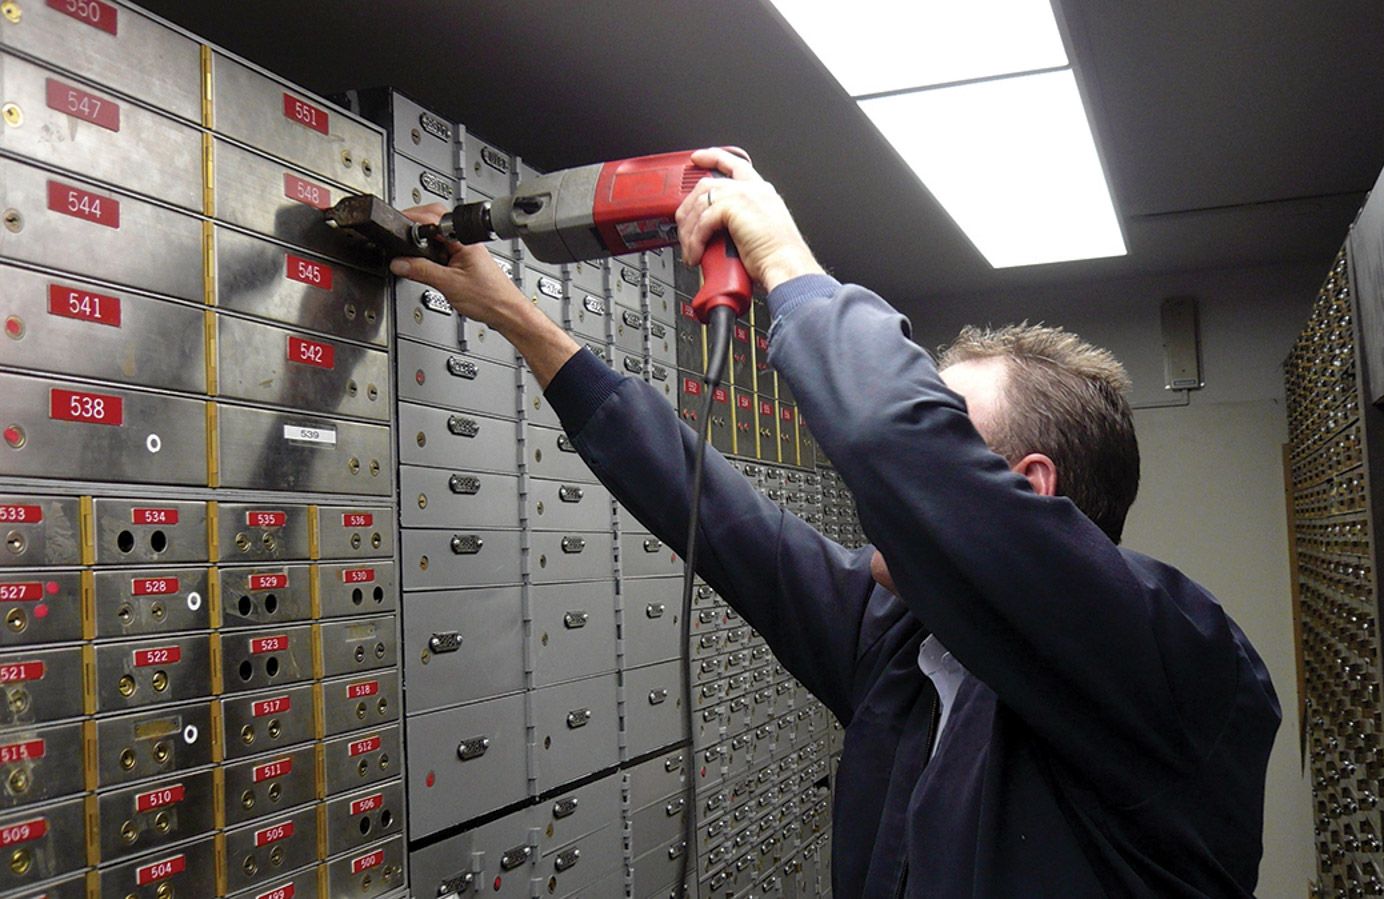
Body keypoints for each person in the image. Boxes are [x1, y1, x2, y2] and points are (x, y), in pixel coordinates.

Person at [392, 148, 1280, 898]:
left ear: (1028, 487)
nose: (876, 486)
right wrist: (514, 316)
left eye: (943, 423)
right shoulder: (901, 640)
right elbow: (714, 511)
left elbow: (888, 438)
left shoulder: (1173, 667)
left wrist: (785, 258)